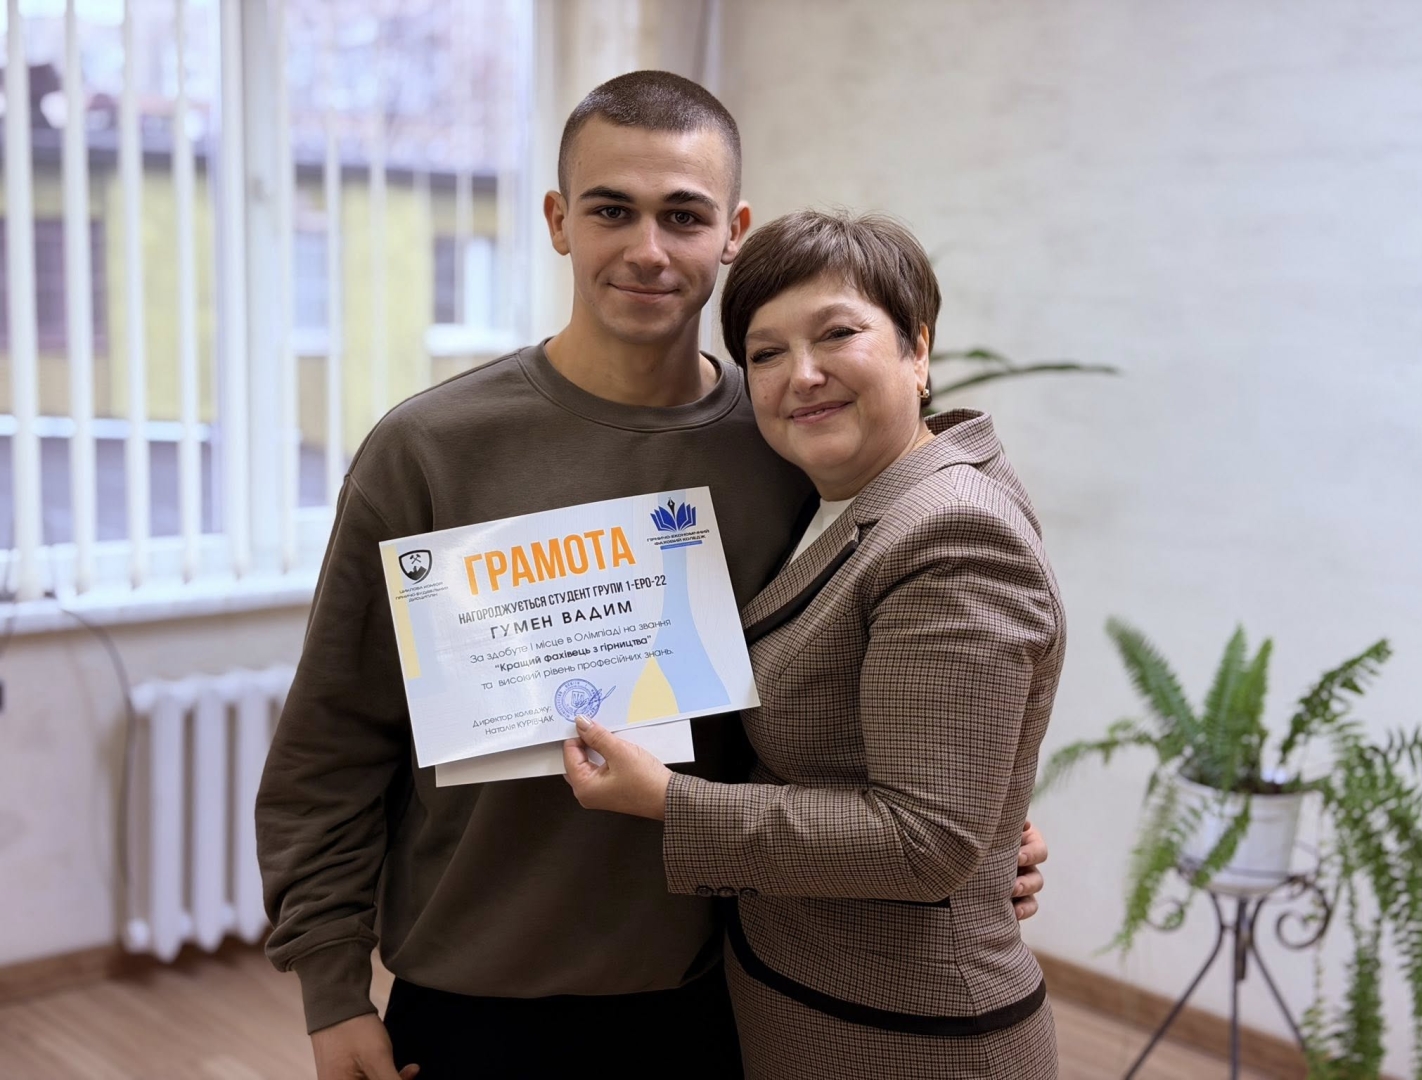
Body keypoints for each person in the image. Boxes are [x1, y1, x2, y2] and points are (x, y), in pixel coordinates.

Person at [256, 71, 1048, 1080]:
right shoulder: (430, 450)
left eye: (683, 215)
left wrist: (979, 828)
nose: (647, 249)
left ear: (732, 232)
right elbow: (332, 742)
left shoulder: (790, 444)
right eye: (610, 211)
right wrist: (331, 988)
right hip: (475, 996)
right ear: (558, 221)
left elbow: (867, 697)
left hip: (723, 995)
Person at [562, 209, 1064, 1079]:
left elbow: (924, 840)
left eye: (837, 334)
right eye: (766, 353)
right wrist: (983, 828)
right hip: (808, 998)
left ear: (917, 348)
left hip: (905, 1038)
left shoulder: (951, 533)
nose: (802, 375)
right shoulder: (838, 499)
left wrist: (670, 802)